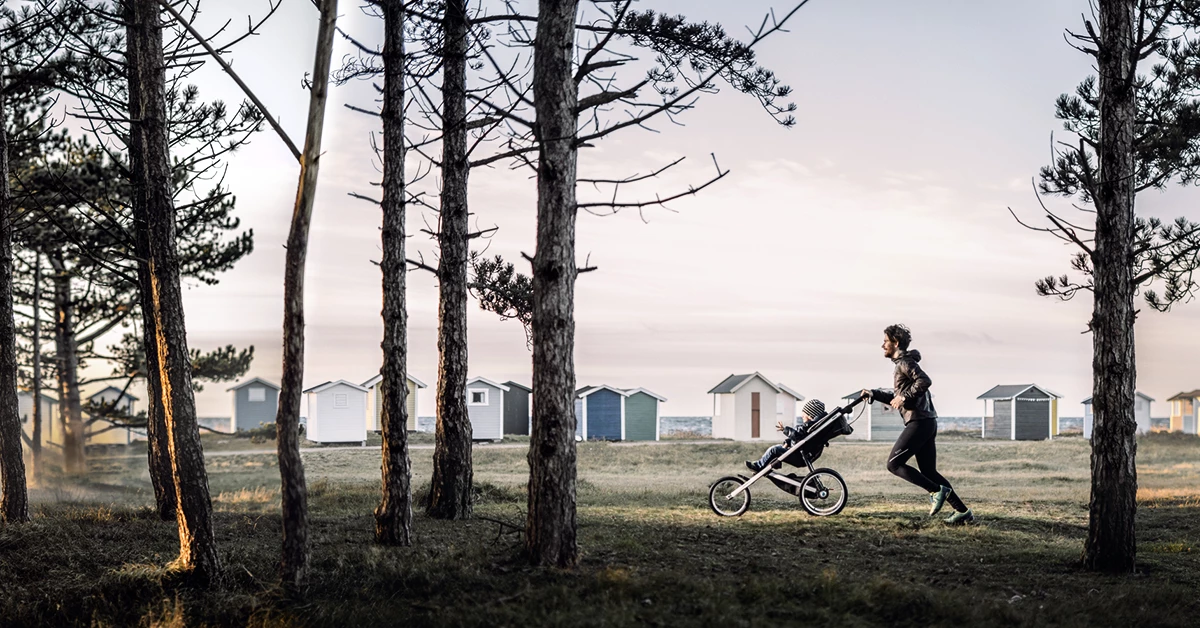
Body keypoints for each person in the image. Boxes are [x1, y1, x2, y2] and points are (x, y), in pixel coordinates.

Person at [862, 324, 974, 525]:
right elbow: (897, 396)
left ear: (895, 343)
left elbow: (924, 381)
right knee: (929, 471)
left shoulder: (904, 363)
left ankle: (935, 491)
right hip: (927, 421)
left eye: (885, 341)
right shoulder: (904, 363)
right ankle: (962, 511)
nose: (882, 345)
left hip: (919, 422)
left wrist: (903, 397)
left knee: (894, 464)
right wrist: (874, 393)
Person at [745, 399, 828, 472]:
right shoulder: (810, 426)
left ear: (810, 416)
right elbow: (799, 437)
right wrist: (788, 442)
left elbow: (797, 435)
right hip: (800, 454)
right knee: (777, 448)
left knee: (774, 450)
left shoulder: (808, 426)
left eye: (804, 415)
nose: (802, 416)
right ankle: (773, 464)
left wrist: (785, 430)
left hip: (800, 457)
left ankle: (758, 466)